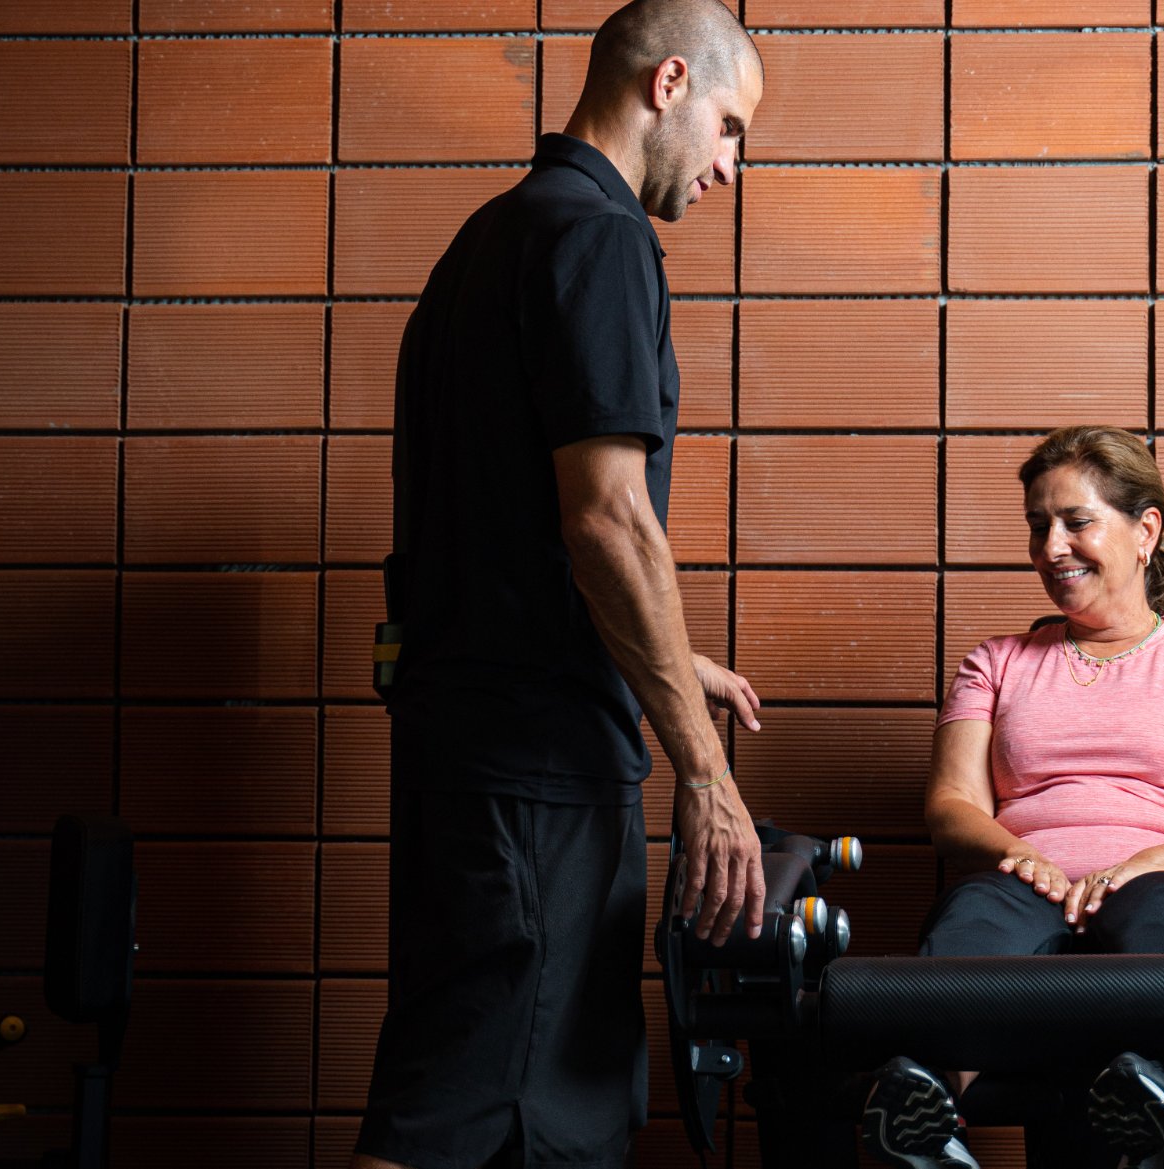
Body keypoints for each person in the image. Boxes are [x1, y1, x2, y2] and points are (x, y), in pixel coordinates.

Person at [353, 4, 766, 1168]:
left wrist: (661, 659)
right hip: (534, 763)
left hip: (467, 743)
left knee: (471, 1081)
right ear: (670, 82)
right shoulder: (601, 238)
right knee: (483, 1102)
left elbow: (500, 531)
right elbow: (606, 517)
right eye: (731, 128)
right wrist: (704, 770)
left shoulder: (486, 240)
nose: (730, 168)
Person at [861, 426, 1164, 1169]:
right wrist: (1021, 855)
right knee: (979, 911)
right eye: (1037, 526)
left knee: (1153, 908)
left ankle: (1149, 1104)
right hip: (1029, 885)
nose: (1051, 546)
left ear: (1144, 529)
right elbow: (952, 806)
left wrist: (1139, 866)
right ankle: (926, 1116)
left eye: (1075, 521)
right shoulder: (994, 661)